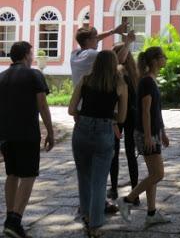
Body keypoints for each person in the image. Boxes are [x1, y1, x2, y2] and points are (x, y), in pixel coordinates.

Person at [70, 24, 134, 214]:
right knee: (100, 165)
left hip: (82, 116)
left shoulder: (75, 55)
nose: (98, 40)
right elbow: (117, 59)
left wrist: (114, 32)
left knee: (85, 169)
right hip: (103, 115)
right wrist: (128, 42)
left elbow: (92, 40)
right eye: (96, 38)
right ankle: (96, 207)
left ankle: (88, 204)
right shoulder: (93, 56)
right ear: (90, 41)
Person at [68, 50, 128, 238]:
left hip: (82, 129)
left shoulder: (86, 79)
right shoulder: (120, 84)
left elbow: (71, 109)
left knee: (83, 176)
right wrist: (111, 119)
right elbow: (122, 117)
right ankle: (95, 225)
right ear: (113, 64)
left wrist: (82, 116)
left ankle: (86, 215)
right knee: (99, 180)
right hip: (104, 131)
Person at [0, 42, 54, 238]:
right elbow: (42, 104)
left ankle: (10, 219)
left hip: (5, 135)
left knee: (12, 174)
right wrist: (50, 131)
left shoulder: (2, 77)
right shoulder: (34, 75)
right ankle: (14, 221)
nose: (33, 57)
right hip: (27, 134)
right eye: (31, 53)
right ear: (26, 55)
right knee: (29, 175)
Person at [118, 47, 171, 227]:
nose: (166, 59)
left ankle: (151, 213)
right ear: (155, 60)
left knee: (153, 175)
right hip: (145, 133)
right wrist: (148, 136)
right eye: (163, 56)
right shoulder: (147, 81)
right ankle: (127, 200)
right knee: (158, 174)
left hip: (154, 132)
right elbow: (146, 111)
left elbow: (156, 110)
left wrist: (162, 132)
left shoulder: (152, 80)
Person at [108, 44, 140, 203]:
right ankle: (136, 192)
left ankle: (113, 188)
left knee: (113, 152)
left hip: (117, 115)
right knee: (130, 153)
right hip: (132, 116)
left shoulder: (116, 74)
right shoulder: (135, 74)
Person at [71, 22, 129, 86]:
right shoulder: (91, 55)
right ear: (87, 41)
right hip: (90, 95)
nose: (97, 39)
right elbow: (119, 60)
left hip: (80, 94)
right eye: (95, 37)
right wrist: (128, 42)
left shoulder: (74, 54)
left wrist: (113, 31)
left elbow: (93, 38)